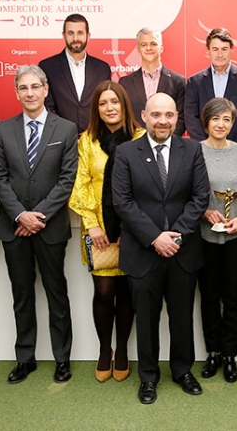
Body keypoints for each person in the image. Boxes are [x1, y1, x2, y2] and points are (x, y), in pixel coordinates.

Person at [112, 93, 210, 404]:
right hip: (143, 251)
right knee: (147, 319)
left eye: (169, 115)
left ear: (176, 117)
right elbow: (122, 202)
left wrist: (176, 235)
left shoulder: (192, 149)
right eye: (156, 115)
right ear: (144, 116)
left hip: (183, 251)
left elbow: (200, 197)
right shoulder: (126, 152)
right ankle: (148, 377)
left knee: (182, 316)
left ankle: (182, 371)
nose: (163, 121)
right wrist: (156, 238)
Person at [0, 65, 78, 385]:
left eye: (35, 87)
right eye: (23, 88)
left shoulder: (66, 129)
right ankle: (25, 358)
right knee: (22, 295)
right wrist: (20, 215)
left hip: (50, 227)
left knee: (57, 293)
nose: (29, 93)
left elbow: (67, 179)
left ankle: (62, 359)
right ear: (17, 93)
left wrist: (38, 216)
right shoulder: (3, 129)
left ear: (45, 90)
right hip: (14, 228)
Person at [69, 81, 144, 383]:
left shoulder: (141, 137)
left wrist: (133, 227)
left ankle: (123, 350)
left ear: (125, 105)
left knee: (126, 291)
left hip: (132, 229)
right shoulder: (87, 141)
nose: (110, 108)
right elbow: (81, 182)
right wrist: (93, 224)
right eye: (103, 103)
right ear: (96, 109)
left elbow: (145, 186)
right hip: (97, 227)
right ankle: (104, 350)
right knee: (103, 291)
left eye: (115, 102)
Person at [196, 98, 237, 383]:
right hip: (204, 236)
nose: (221, 124)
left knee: (232, 297)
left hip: (236, 235)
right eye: (216, 119)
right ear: (206, 121)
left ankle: (230, 355)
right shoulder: (194, 151)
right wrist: (204, 212)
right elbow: (187, 190)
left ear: (233, 122)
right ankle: (213, 352)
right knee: (208, 297)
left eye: (226, 119)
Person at [185, 27, 237, 145]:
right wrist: (204, 145)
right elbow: (191, 118)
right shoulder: (195, 82)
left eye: (224, 49)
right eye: (215, 49)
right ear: (208, 51)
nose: (220, 54)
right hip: (203, 150)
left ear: (231, 50)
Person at [39, 14, 112, 133]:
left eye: (80, 33)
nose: (75, 38)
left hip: (95, 139)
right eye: (70, 33)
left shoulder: (102, 68)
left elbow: (105, 105)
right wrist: (64, 133)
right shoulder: (47, 67)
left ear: (88, 36)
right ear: (64, 35)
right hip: (60, 139)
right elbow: (47, 107)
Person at [119, 27, 187, 136]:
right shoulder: (125, 83)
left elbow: (182, 118)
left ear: (161, 48)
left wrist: (165, 141)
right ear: (138, 49)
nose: (148, 48)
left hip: (167, 146)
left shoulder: (178, 81)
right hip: (134, 147)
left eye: (153, 44)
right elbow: (123, 118)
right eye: (144, 44)